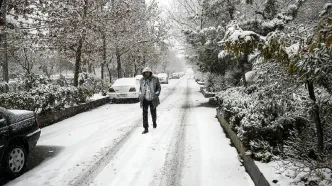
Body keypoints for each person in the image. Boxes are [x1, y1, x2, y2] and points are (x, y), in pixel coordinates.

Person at [139, 67, 161, 134]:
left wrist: (157, 93)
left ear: (150, 73)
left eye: (148, 72)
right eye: (146, 72)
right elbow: (140, 89)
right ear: (144, 73)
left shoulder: (155, 79)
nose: (147, 73)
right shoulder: (141, 80)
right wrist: (140, 96)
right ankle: (146, 128)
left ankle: (154, 122)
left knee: (153, 112)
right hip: (145, 99)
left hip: (153, 98)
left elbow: (159, 88)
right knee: (144, 114)